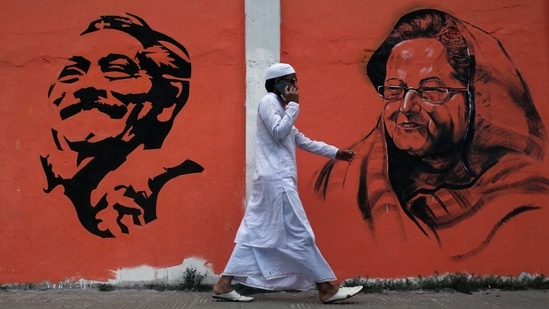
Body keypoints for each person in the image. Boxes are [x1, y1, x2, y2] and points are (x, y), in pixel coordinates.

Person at [315, 9, 548, 260]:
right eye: (395, 89)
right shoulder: (344, 180)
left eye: (432, 90)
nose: (407, 107)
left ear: (475, 100)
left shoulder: (522, 195)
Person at [40, 13, 203, 238]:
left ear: (169, 98)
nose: (87, 85)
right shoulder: (56, 184)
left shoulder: (174, 188)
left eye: (116, 70)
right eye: (71, 73)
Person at [212, 63, 363, 303]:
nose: (295, 85)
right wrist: (294, 105)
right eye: (291, 80)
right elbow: (279, 131)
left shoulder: (279, 108)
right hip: (277, 182)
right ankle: (326, 289)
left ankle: (223, 284)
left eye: (296, 80)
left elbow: (302, 140)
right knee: (301, 234)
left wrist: (336, 153)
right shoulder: (269, 102)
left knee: (255, 234)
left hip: (273, 182)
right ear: (277, 83)